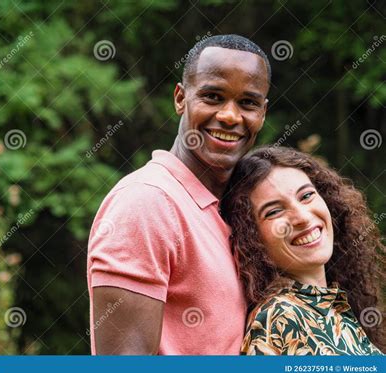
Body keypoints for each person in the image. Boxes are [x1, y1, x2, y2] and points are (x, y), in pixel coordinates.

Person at [87, 34, 271, 354]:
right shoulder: (147, 203)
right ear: (180, 98)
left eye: (248, 103)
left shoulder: (233, 211)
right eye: (213, 96)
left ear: (263, 113)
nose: (230, 116)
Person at [222, 146, 385, 355]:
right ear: (250, 237)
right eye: (274, 211)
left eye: (306, 195)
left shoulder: (334, 309)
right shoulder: (281, 317)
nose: (303, 217)